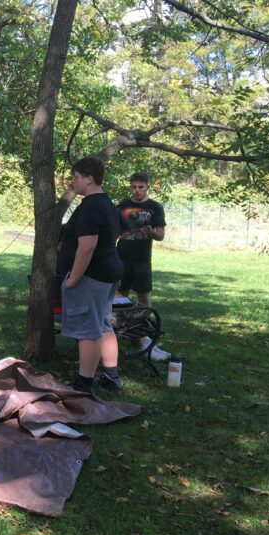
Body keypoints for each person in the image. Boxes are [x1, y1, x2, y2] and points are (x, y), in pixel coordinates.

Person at [56, 157, 123, 393]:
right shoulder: (107, 203)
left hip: (92, 277)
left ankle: (84, 383)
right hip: (109, 272)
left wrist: (73, 279)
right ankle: (111, 376)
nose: (73, 182)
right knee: (103, 324)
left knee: (88, 330)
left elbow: (87, 246)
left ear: (89, 178)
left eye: (75, 177)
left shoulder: (91, 206)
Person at [116, 172, 169, 361]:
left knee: (143, 297)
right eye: (134, 187)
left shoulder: (155, 207)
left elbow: (161, 235)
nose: (137, 191)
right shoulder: (121, 207)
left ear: (147, 187)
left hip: (142, 259)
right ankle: (122, 332)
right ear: (130, 187)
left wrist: (152, 231)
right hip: (121, 257)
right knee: (119, 296)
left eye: (141, 187)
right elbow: (112, 231)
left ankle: (145, 336)